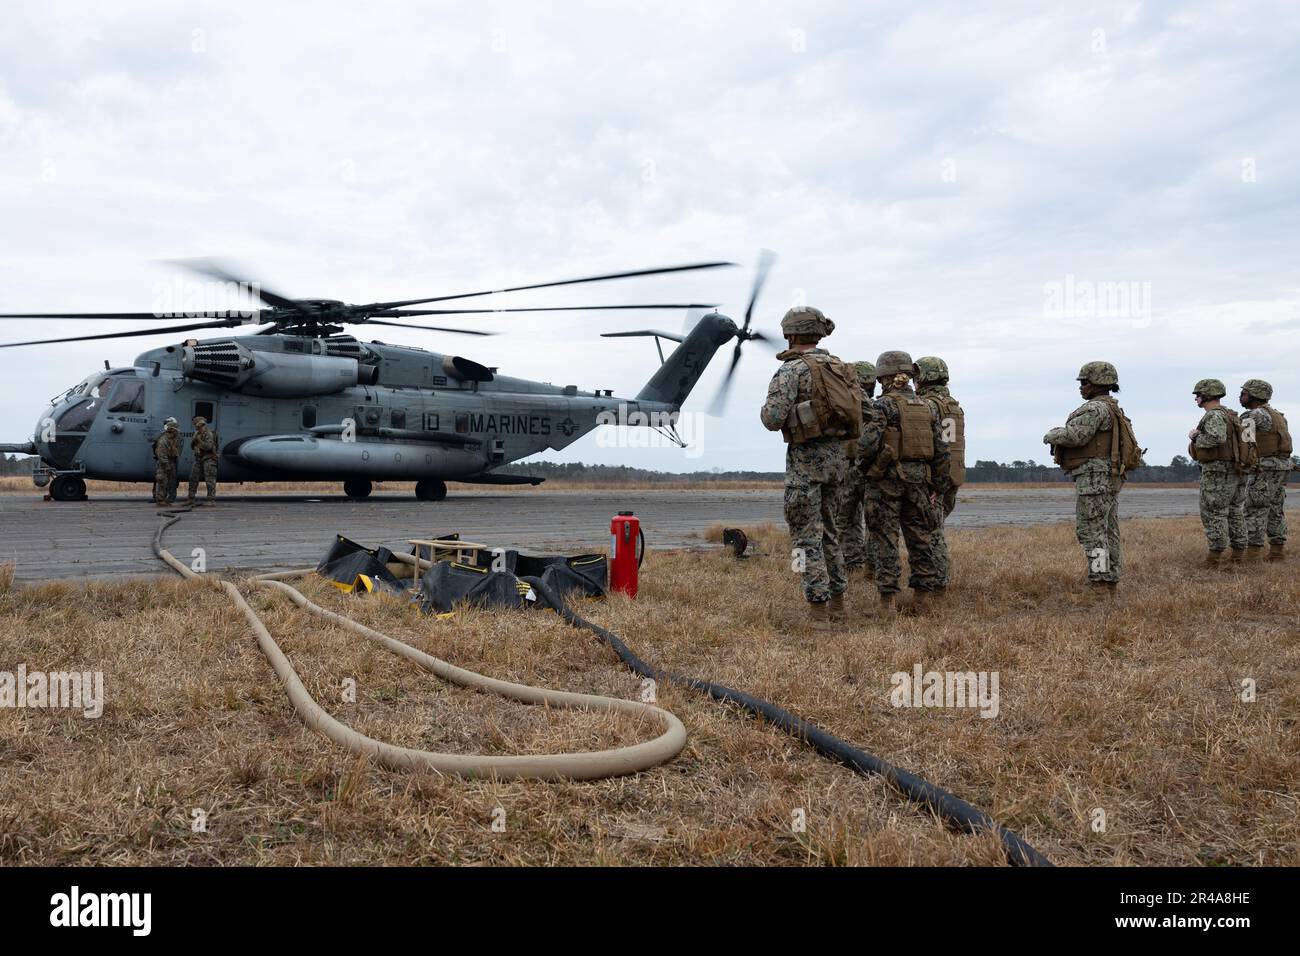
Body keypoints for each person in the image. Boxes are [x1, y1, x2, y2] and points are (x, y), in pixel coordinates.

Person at [760, 306, 854, 631]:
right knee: (831, 532)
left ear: (792, 334)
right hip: (838, 465)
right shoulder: (842, 368)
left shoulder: (792, 371)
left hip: (805, 466)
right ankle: (839, 605)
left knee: (805, 537)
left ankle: (818, 614)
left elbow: (772, 418)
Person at [857, 350, 951, 614]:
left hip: (886, 482)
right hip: (920, 483)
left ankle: (887, 604)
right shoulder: (926, 407)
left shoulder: (882, 406)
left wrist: (863, 470)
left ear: (883, 377)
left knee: (885, 540)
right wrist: (937, 486)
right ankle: (922, 601)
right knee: (920, 539)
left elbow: (867, 445)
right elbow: (942, 450)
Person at [1042, 362, 1129, 596]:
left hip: (1093, 479)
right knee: (1108, 530)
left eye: (1084, 382)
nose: (1081, 387)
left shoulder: (1095, 409)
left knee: (1092, 531)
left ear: (1097, 383)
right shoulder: (1113, 408)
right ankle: (1110, 581)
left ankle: (1099, 584)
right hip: (1107, 477)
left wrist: (1051, 435)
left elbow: (1076, 436)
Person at [915, 356, 964, 587]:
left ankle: (937, 583)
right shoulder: (953, 405)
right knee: (935, 528)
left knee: (931, 533)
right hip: (952, 473)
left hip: (936, 476)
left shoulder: (929, 405)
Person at [1188, 379, 1247, 566]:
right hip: (1235, 469)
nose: (1196, 398)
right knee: (1234, 511)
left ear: (1207, 395)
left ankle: (1215, 557)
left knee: (1214, 512)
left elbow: (1216, 438)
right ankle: (1238, 553)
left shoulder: (1214, 415)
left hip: (1218, 472)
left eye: (1198, 394)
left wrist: (1195, 437)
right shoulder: (1231, 415)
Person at [1238, 379, 1290, 562]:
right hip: (1281, 467)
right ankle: (1277, 551)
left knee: (1254, 508)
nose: (1240, 396)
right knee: (1275, 509)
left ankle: (1253, 554)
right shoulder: (1278, 415)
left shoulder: (1255, 415)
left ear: (1254, 395)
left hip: (1265, 468)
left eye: (1244, 393)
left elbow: (1245, 442)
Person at [839, 360, 878, 579]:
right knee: (871, 517)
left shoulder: (842, 401)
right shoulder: (870, 405)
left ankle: (852, 561)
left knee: (847, 517)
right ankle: (869, 563)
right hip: (867, 466)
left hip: (846, 465)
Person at [186, 416, 220, 505]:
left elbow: (208, 447)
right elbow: (192, 446)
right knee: (193, 478)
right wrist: (196, 445)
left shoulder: (209, 434)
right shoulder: (196, 434)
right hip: (199, 458)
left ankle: (211, 500)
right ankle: (191, 499)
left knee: (210, 479)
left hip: (209, 459)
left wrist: (199, 441)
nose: (196, 427)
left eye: (197, 425)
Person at [152, 417, 181, 507]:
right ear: (172, 431)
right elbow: (162, 455)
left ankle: (164, 499)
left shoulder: (171, 440)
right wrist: (167, 465)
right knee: (162, 481)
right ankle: (160, 500)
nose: (177, 433)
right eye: (175, 431)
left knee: (167, 482)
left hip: (169, 462)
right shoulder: (163, 441)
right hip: (163, 464)